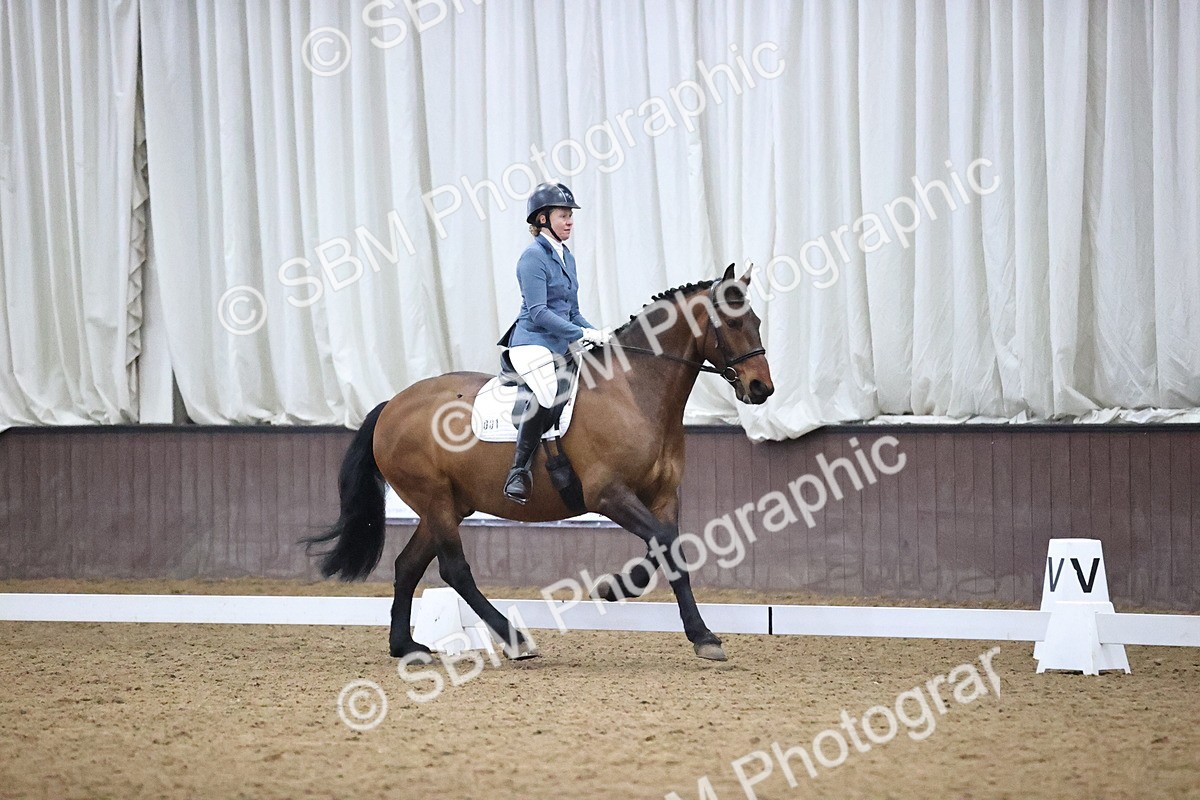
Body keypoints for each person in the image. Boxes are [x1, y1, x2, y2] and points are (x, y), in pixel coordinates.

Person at [496, 182, 609, 504]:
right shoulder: (532, 257)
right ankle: (518, 470)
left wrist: (598, 333)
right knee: (547, 393)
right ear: (543, 219)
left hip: (559, 343)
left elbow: (572, 312)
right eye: (563, 216)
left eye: (571, 216)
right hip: (531, 341)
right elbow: (540, 312)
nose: (570, 222)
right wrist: (581, 335)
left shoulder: (566, 257)